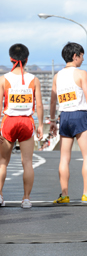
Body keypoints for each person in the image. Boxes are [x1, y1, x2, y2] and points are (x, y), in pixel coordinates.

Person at [50, 42, 87, 204]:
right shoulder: (81, 74)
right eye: (81, 56)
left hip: (64, 116)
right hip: (79, 115)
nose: (82, 59)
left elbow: (53, 102)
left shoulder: (57, 76)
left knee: (64, 158)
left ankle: (64, 194)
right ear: (75, 56)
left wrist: (52, 120)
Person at [0, 44, 44, 209]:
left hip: (9, 121)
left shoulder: (3, 79)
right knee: (27, 162)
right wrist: (40, 125)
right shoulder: (34, 80)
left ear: (11, 58)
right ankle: (26, 199)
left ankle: (0, 195)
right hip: (27, 121)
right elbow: (39, 105)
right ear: (27, 59)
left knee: (3, 162)